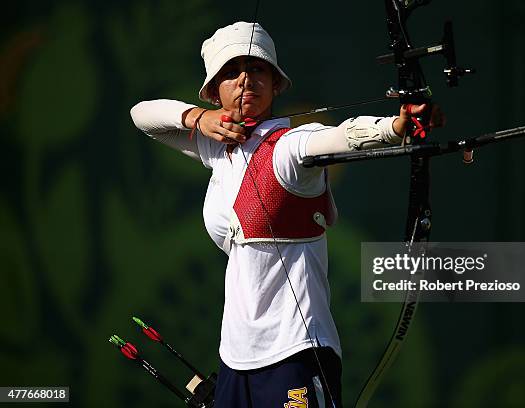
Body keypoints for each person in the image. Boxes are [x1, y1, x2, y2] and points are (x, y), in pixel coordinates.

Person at [130, 21, 444, 408]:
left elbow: (339, 137)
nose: (246, 79)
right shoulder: (215, 149)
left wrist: (396, 127)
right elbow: (141, 114)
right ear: (214, 92)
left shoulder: (290, 147)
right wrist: (199, 118)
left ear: (275, 84)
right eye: (231, 73)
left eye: (257, 69)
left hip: (296, 351)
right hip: (235, 359)